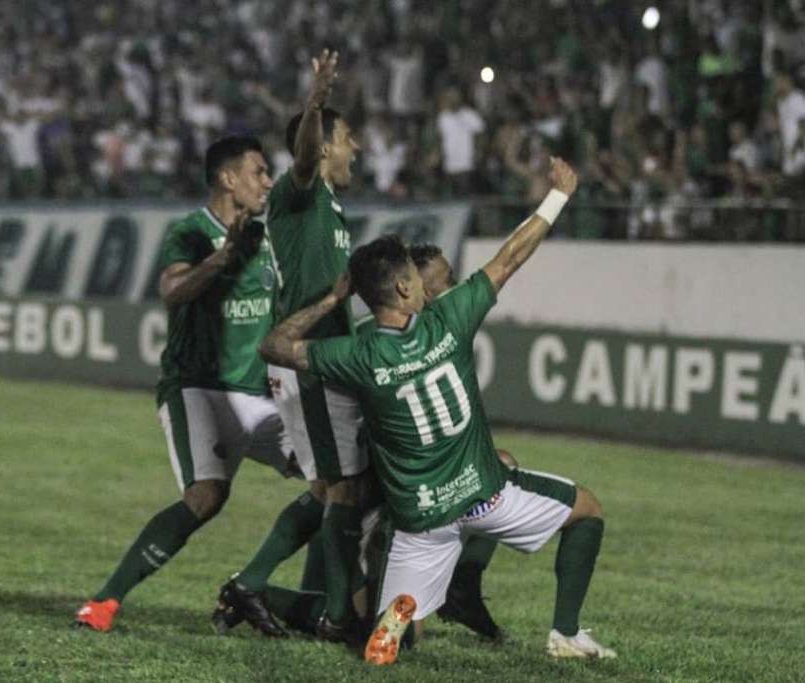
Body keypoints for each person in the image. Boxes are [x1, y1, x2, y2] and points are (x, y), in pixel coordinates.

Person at [260, 157, 618, 664]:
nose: (433, 287)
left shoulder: (357, 353)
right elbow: (511, 257)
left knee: (398, 629)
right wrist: (557, 196)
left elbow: (275, 347)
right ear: (407, 288)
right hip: (482, 497)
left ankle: (396, 613)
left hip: (419, 517)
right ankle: (566, 633)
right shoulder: (448, 321)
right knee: (587, 509)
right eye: (419, 277)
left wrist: (329, 300)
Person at [74, 135, 294, 633]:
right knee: (206, 497)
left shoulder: (268, 237)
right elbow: (172, 290)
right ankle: (105, 602)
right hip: (198, 389)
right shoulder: (192, 232)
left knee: (338, 479)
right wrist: (222, 258)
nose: (267, 182)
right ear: (227, 178)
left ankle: (282, 597)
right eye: (258, 172)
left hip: (257, 397)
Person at [215, 49, 370, 641]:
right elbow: (303, 157)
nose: (355, 148)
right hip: (305, 362)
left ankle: (253, 584)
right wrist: (316, 103)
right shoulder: (298, 191)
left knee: (329, 488)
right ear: (325, 145)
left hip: (323, 358)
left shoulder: (330, 206)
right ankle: (333, 612)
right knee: (342, 489)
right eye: (348, 138)